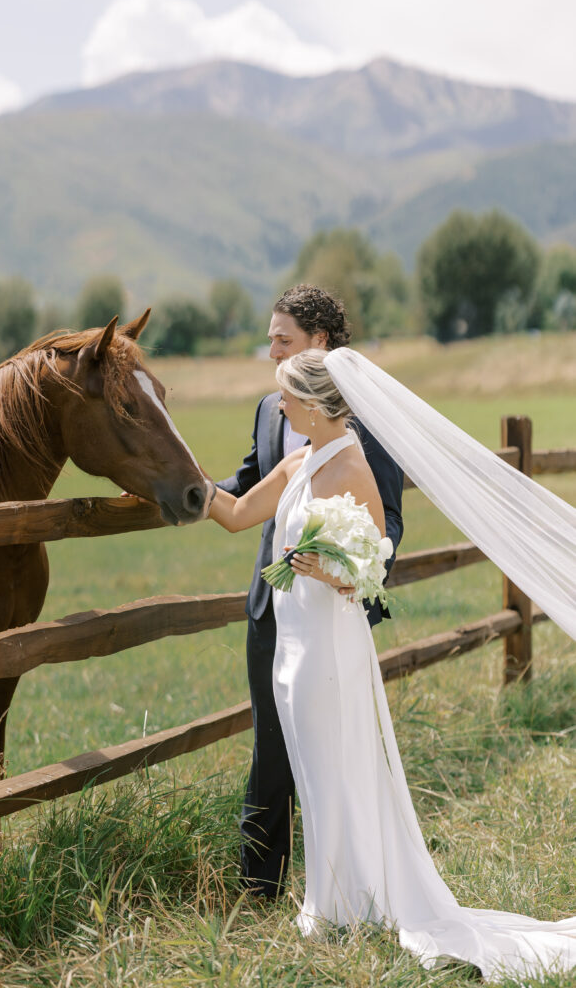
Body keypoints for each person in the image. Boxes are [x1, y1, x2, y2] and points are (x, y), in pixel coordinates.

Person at [208, 349, 576, 981]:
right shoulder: (302, 459)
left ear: (318, 404)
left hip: (328, 645)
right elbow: (238, 513)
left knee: (336, 768)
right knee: (310, 766)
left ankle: (346, 905)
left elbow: (371, 572)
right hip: (292, 650)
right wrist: (176, 482)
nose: (281, 407)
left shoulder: (352, 464)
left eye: (289, 397)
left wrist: (323, 568)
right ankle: (332, 900)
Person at [218, 285, 403, 898]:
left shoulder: (366, 436)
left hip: (328, 622)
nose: (272, 355)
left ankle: (346, 890)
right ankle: (259, 887)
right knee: (273, 748)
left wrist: (338, 571)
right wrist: (166, 478)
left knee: (328, 756)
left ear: (319, 345)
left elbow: (382, 532)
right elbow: (241, 497)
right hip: (273, 613)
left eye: (283, 342)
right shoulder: (275, 417)